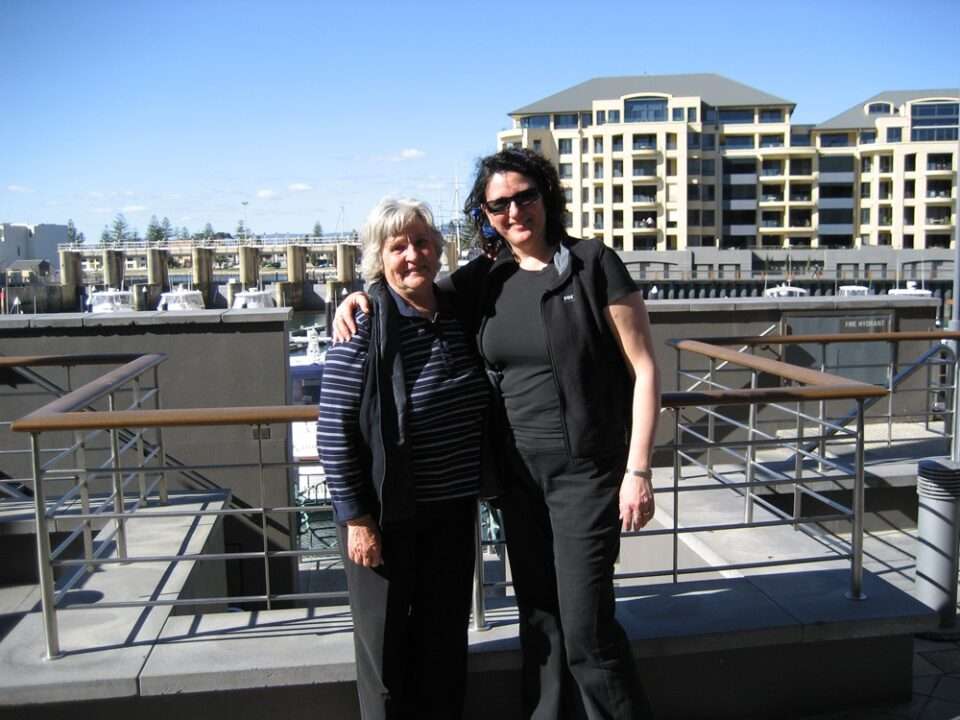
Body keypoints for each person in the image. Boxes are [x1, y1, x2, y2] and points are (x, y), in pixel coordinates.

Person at [336, 148, 660, 719]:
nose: (514, 211)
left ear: (545, 196)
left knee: (586, 628)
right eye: (498, 204)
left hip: (584, 475)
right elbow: (409, 286)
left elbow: (645, 369)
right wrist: (356, 296)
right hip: (517, 482)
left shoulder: (591, 264)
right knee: (539, 620)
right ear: (484, 214)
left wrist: (637, 470)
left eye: (524, 197)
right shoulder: (485, 279)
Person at [317, 198, 491, 720]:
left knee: (443, 651)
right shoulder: (365, 327)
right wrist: (357, 518)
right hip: (385, 517)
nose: (412, 254)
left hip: (453, 512)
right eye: (398, 246)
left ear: (439, 250)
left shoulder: (460, 315)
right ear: (380, 259)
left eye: (421, 242)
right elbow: (333, 430)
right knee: (385, 660)